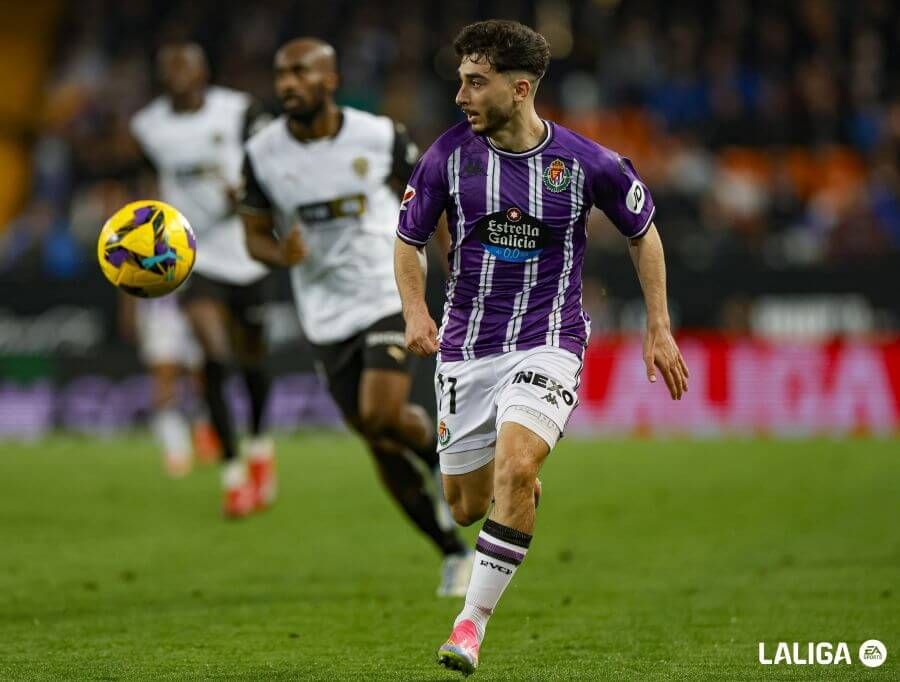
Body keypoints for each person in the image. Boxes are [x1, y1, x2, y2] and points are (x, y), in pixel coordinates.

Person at [393, 20, 690, 675]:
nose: (461, 96)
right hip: (466, 350)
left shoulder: (586, 163)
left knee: (517, 469)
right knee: (468, 506)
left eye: (476, 82)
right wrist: (416, 310)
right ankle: (517, 496)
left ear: (520, 88)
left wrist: (658, 325)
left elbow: (643, 232)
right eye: (461, 81)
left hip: (547, 343)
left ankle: (469, 626)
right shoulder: (446, 157)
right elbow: (408, 240)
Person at [240, 38, 472, 596]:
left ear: (331, 77)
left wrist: (452, 261)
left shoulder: (379, 135)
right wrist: (281, 253)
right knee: (375, 435)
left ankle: (458, 470)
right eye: (281, 74)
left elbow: (430, 196)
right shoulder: (262, 153)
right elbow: (253, 237)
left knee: (381, 409)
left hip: (383, 287)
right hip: (323, 311)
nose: (288, 84)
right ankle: (450, 551)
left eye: (300, 72)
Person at [130, 42, 276, 518]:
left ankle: (259, 448)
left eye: (185, 64)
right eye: (168, 65)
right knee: (214, 355)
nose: (177, 73)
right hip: (193, 256)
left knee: (252, 364)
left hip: (246, 251)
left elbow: (275, 161)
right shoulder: (148, 126)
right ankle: (233, 476)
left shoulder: (236, 110)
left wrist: (251, 193)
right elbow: (150, 183)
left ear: (203, 70)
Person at [119, 293, 220, 477]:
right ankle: (175, 448)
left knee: (202, 378)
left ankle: (204, 431)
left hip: (194, 307)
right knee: (164, 379)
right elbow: (127, 272)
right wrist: (129, 311)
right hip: (160, 312)